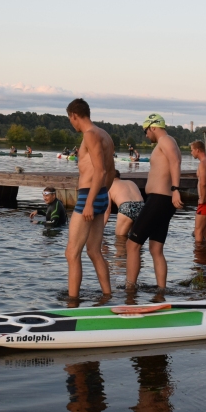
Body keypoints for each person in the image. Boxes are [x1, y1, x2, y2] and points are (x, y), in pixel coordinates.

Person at [65, 98, 115, 299]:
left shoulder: (91, 135)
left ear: (74, 115)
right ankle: (108, 296)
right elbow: (111, 171)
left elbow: (101, 171)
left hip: (89, 196)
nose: (72, 123)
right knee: (94, 251)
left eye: (70, 119)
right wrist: (104, 195)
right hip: (100, 195)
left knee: (72, 253)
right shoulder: (105, 135)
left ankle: (72, 302)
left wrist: (88, 203)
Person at [126, 114, 183, 290]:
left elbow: (175, 162)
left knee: (132, 244)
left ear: (152, 127)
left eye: (146, 131)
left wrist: (175, 190)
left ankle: (130, 289)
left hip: (160, 199)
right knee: (155, 249)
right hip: (162, 201)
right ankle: (161, 290)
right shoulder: (167, 141)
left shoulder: (165, 140)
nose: (146, 136)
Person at [105, 170, 144, 237]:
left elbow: (107, 210)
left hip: (126, 207)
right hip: (142, 207)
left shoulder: (109, 186)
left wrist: (101, 228)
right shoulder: (131, 182)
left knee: (120, 238)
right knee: (135, 239)